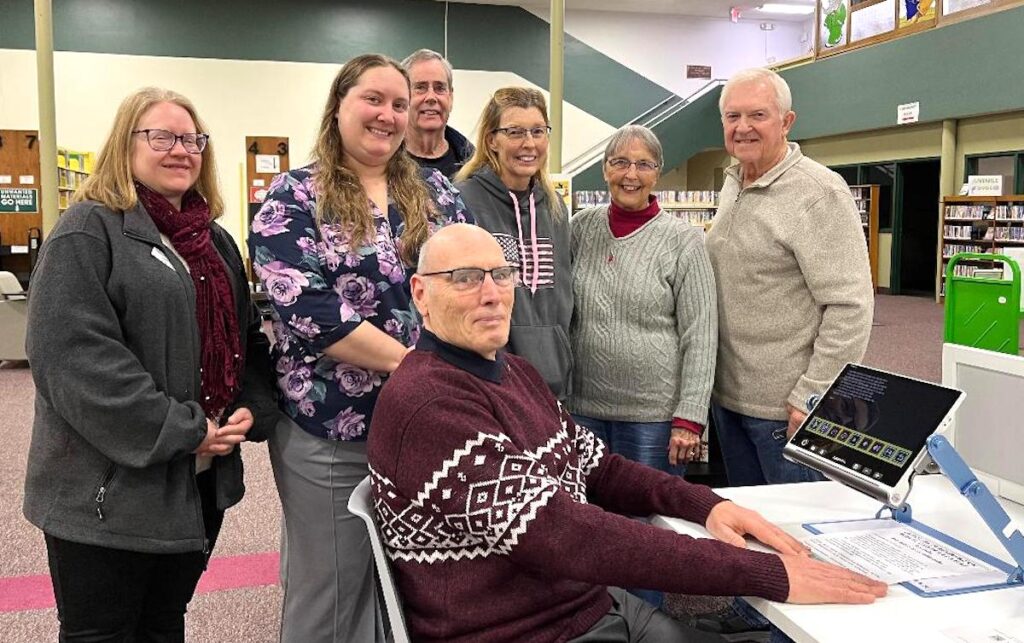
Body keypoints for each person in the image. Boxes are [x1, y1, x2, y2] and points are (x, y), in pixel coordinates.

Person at [367, 223, 886, 643]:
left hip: (585, 606)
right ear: (421, 294)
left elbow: (599, 467)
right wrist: (762, 573)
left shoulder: (514, 372)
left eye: (501, 275)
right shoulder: (429, 404)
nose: (491, 295)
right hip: (523, 630)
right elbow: (564, 535)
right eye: (464, 278)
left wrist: (705, 505)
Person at [23, 87, 277, 641]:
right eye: (160, 136)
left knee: (164, 623)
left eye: (191, 139)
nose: (180, 149)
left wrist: (250, 407)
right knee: (103, 632)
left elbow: (246, 339)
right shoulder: (89, 230)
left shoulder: (215, 243)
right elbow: (74, 359)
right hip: (105, 495)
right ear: (125, 145)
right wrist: (184, 429)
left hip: (196, 487)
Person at [248, 54, 471, 643]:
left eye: (399, 104)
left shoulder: (438, 193)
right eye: (373, 99)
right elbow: (310, 312)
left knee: (417, 589)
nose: (388, 115)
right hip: (331, 432)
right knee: (334, 588)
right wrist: (419, 367)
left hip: (427, 427)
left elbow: (475, 284)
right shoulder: (293, 198)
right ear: (339, 105)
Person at [569, 124, 717, 609]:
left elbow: (701, 332)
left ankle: (646, 621)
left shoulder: (683, 242)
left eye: (643, 164)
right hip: (583, 408)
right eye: (619, 162)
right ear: (605, 169)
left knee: (644, 530)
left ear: (658, 172)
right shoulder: (579, 229)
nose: (630, 174)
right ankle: (598, 619)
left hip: (653, 417)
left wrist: (689, 416)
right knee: (584, 522)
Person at [706, 67, 874, 487]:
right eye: (732, 116)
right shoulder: (734, 182)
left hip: (787, 412)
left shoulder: (819, 193)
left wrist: (812, 395)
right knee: (748, 534)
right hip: (728, 401)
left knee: (796, 539)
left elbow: (850, 307)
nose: (742, 127)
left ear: (787, 121)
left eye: (757, 115)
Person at [455, 87, 572, 400]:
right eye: (515, 132)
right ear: (492, 139)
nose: (529, 143)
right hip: (487, 383)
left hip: (551, 387)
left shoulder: (555, 207)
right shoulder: (463, 201)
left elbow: (563, 298)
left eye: (538, 131)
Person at [401, 48, 475, 179]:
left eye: (440, 88)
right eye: (420, 87)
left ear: (450, 97)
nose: (431, 97)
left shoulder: (474, 168)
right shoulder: (379, 164)